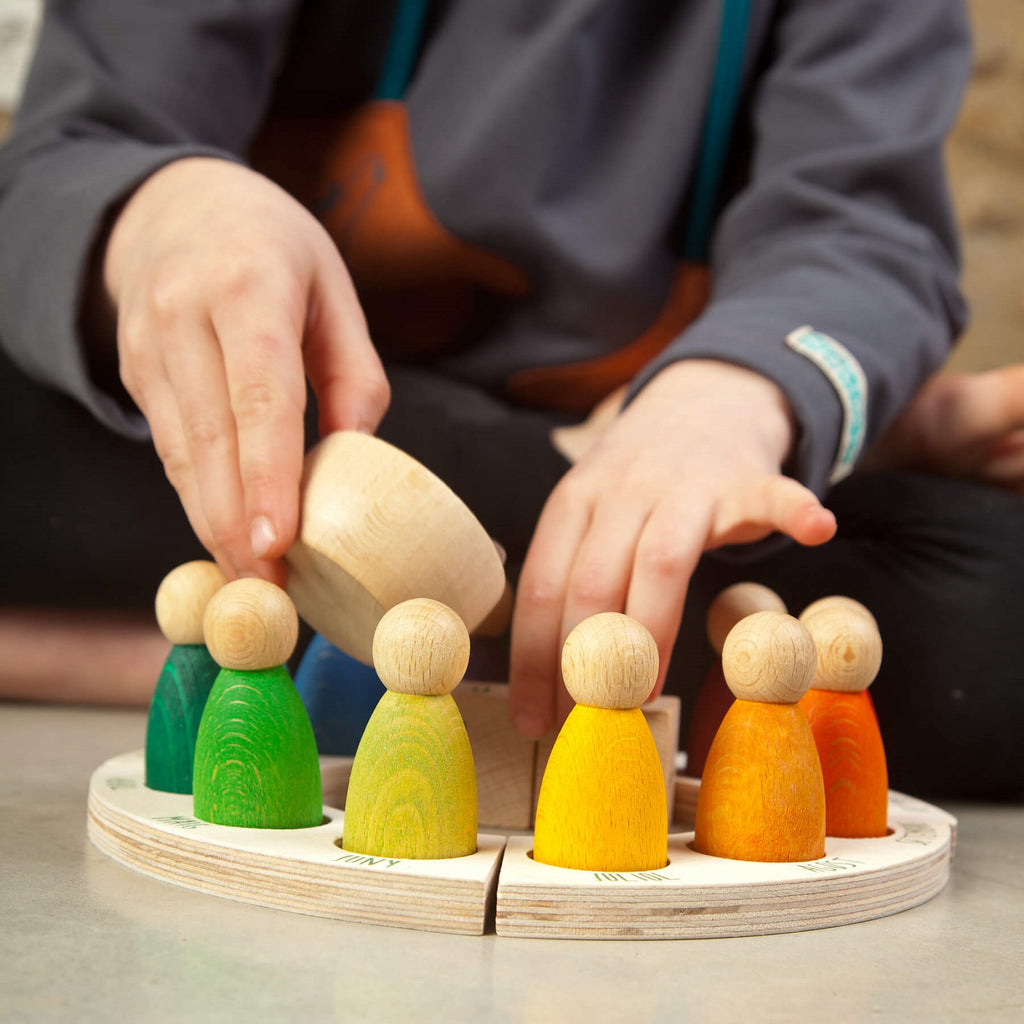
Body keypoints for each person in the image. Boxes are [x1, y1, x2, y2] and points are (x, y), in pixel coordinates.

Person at [1, 1, 1021, 799]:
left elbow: (860, 231)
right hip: (302, 438)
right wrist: (160, 209)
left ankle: (221, 644)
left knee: (996, 606)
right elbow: (73, 147)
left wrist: (740, 391)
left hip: (648, 455)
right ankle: (430, 608)